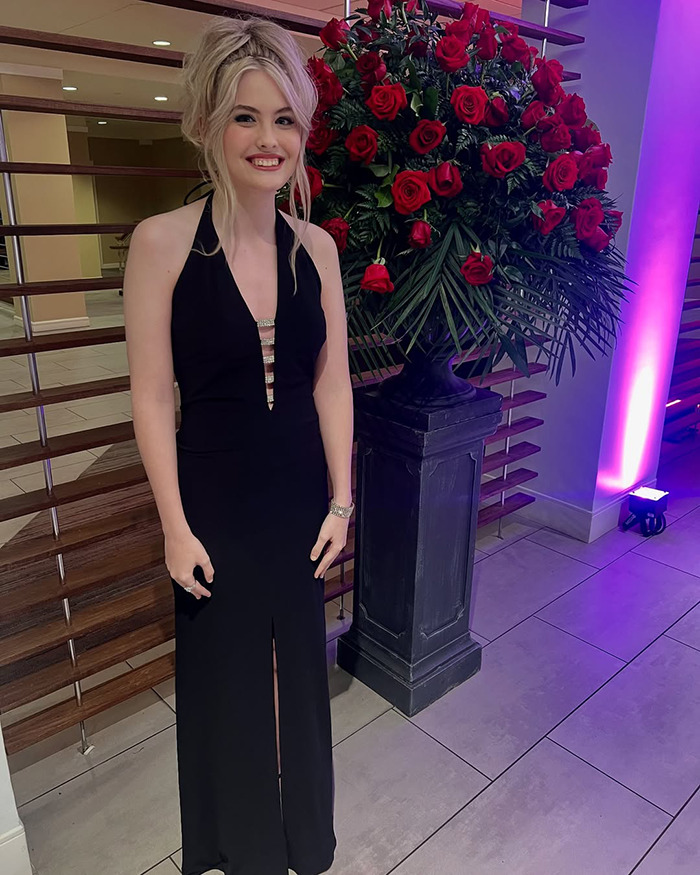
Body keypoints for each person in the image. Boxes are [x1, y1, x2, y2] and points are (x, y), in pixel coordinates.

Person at [123, 15, 355, 875]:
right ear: (209, 125)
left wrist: (342, 497)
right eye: (246, 116)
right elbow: (150, 394)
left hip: (301, 498)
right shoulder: (160, 244)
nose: (269, 139)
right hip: (212, 502)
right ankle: (243, 848)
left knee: (301, 674)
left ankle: (305, 843)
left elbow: (330, 382)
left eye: (285, 118)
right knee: (226, 687)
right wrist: (173, 527)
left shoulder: (318, 249)